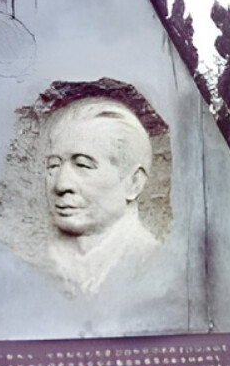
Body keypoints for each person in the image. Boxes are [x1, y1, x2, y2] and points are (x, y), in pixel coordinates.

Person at [42, 97, 160, 295]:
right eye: (53, 165)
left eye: (82, 165)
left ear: (133, 183)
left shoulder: (157, 262)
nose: (61, 185)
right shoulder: (38, 260)